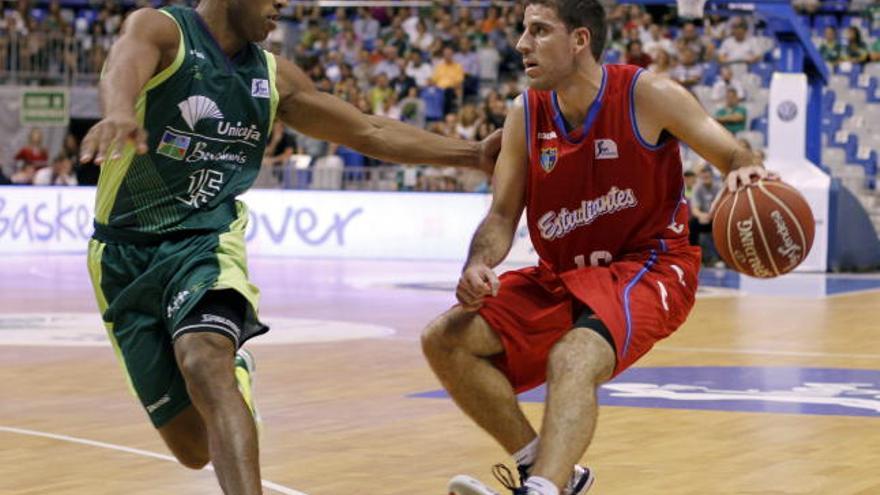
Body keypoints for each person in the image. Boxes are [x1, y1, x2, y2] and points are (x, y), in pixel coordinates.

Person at [77, 2, 501, 494]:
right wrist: (120, 112)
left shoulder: (275, 78)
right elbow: (126, 60)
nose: (282, 5)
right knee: (193, 448)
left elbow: (369, 129)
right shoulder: (164, 30)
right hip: (121, 258)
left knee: (203, 359)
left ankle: (223, 361)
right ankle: (235, 369)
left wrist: (471, 155)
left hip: (206, 243)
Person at [421, 2, 768, 495]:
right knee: (445, 338)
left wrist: (742, 168)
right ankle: (546, 473)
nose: (522, 45)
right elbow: (502, 216)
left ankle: (542, 490)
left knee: (575, 355)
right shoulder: (526, 114)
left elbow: (730, 150)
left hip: (650, 267)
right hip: (563, 274)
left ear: (580, 40)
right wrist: (478, 261)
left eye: (539, 31)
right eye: (524, 31)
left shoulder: (648, 94)